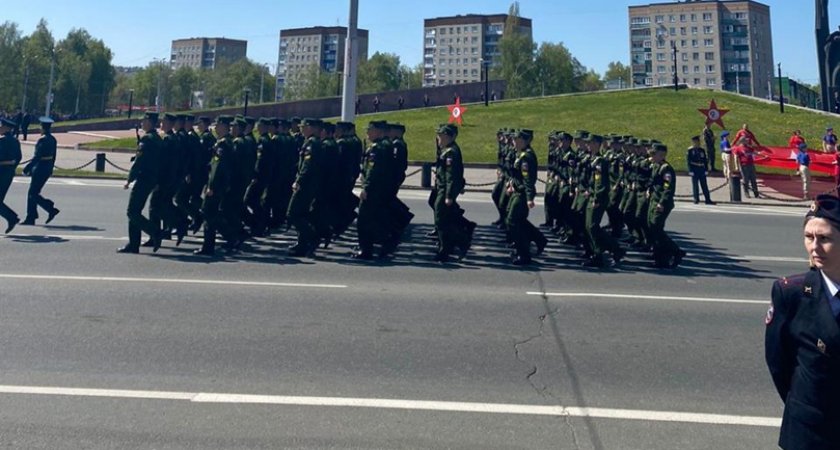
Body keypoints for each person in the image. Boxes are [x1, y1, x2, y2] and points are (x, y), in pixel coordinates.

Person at [765, 194, 840, 449]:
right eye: (809, 237)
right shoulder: (791, 293)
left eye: (825, 239)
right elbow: (779, 363)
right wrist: (804, 404)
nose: (814, 247)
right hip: (809, 430)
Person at [118, 112, 162, 254]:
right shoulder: (157, 139)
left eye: (144, 120)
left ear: (150, 122)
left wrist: (129, 179)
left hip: (144, 179)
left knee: (132, 212)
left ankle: (155, 232)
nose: (142, 123)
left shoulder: (147, 139)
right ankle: (134, 244)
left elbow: (139, 162)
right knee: (135, 211)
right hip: (151, 179)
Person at [647, 143, 684, 268]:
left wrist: (661, 203)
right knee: (653, 228)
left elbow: (667, 189)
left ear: (661, 155)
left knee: (656, 229)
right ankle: (661, 257)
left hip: (661, 204)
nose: (651, 156)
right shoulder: (657, 166)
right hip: (654, 201)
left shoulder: (666, 169)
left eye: (653, 154)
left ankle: (675, 251)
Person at [21, 117, 60, 225]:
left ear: (42, 128)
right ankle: (32, 216)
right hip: (47, 168)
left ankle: (49, 208)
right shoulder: (52, 139)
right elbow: (54, 156)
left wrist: (27, 168)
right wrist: (51, 168)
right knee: (33, 192)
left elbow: (37, 157)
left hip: (40, 168)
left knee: (32, 193)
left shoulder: (42, 140)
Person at [0, 117, 22, 233]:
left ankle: (12, 217)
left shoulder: (3, 141)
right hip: (8, 173)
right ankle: (12, 218)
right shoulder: (15, 141)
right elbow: (19, 157)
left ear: (6, 128)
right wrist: (12, 166)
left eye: (1, 126)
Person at [687, 135, 715, 205]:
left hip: (701, 170)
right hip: (694, 170)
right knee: (695, 186)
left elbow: (705, 160)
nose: (697, 143)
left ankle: (707, 199)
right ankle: (696, 199)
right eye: (696, 142)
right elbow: (689, 161)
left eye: (698, 141)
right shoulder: (690, 150)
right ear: (693, 142)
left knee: (704, 185)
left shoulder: (701, 150)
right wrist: (690, 171)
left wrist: (706, 169)